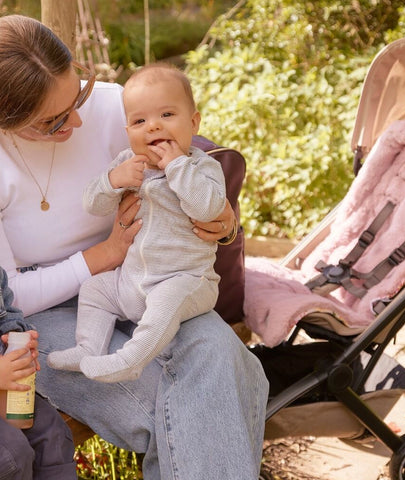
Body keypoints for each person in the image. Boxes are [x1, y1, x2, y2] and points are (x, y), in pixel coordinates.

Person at [0, 14, 268, 480]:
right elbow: (10, 296)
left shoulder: (114, 108)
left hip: (153, 279)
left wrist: (224, 223)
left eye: (78, 95)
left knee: (224, 359)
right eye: (54, 120)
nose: (79, 119)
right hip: (46, 315)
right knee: (191, 411)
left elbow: (193, 162)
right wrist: (101, 257)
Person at [47, 63, 227, 383]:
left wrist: (176, 167)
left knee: (165, 304)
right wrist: (112, 180)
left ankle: (131, 360)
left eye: (167, 116)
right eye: (139, 121)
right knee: (94, 289)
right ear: (127, 131)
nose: (153, 127)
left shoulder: (202, 168)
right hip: (130, 282)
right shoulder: (127, 165)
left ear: (194, 122)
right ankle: (87, 348)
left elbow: (207, 208)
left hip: (185, 280)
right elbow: (93, 204)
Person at [0, 267, 77, 480]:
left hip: (6, 389)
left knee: (53, 435)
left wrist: (18, 339)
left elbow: (7, 316)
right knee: (11, 455)